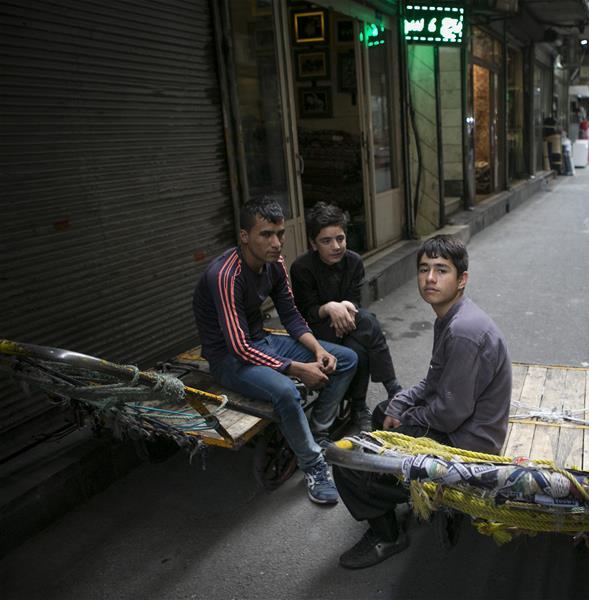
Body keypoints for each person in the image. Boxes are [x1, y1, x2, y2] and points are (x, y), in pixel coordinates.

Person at [334, 235, 512, 569]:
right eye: (424, 269)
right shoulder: (451, 316)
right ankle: (398, 493)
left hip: (466, 443)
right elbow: (433, 383)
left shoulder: (463, 331)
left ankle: (388, 535)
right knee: (383, 412)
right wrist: (399, 405)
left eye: (441, 270)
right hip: (459, 424)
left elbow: (447, 415)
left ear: (462, 279)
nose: (430, 278)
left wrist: (406, 417)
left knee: (348, 465)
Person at [193, 199, 358, 505]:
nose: (277, 242)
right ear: (244, 236)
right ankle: (314, 466)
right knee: (285, 391)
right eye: (266, 234)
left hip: (262, 340)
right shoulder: (226, 276)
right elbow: (238, 347)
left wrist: (318, 349)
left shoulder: (275, 264)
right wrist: (297, 368)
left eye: (280, 233)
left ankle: (317, 430)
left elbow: (292, 317)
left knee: (346, 359)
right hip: (228, 358)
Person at [290, 202, 403, 433]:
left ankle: (358, 408)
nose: (336, 246)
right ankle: (392, 389)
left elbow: (355, 301)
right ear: (313, 243)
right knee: (368, 322)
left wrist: (344, 307)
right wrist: (329, 308)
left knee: (358, 348)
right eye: (326, 241)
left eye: (340, 238)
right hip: (315, 333)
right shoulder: (301, 268)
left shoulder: (354, 261)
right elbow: (305, 313)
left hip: (350, 326)